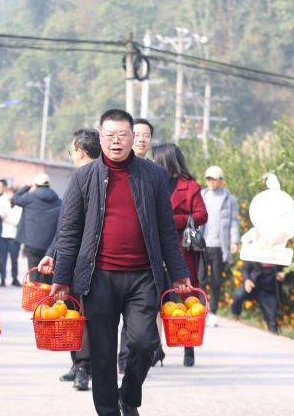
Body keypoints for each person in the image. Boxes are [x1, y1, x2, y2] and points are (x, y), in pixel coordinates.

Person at [51, 109, 192, 416]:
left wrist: (179, 272)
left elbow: (166, 230)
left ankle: (128, 395)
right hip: (98, 277)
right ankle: (108, 411)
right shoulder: (83, 177)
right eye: (109, 135)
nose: (116, 141)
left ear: (133, 137)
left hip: (143, 276)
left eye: (122, 135)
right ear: (100, 138)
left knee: (144, 343)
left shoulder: (153, 175)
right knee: (102, 353)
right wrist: (62, 278)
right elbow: (70, 231)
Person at [38, 128, 100, 391]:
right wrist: (51, 253)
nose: (71, 155)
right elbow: (66, 226)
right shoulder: (79, 178)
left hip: (89, 259)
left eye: (71, 151)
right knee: (71, 312)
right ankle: (77, 363)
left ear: (80, 152)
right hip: (71, 258)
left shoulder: (97, 178)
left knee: (83, 313)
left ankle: (84, 366)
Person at [152, 143, 208, 367]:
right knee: (154, 299)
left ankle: (189, 347)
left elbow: (202, 214)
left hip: (181, 249)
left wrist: (173, 221)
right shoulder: (152, 182)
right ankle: (156, 349)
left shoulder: (190, 185)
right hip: (155, 248)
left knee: (187, 299)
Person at [118, 118, 160, 374]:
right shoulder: (113, 171)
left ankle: (128, 361)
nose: (142, 139)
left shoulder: (155, 174)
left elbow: (163, 220)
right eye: (138, 134)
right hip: (112, 262)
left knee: (138, 321)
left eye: (147, 135)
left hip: (145, 260)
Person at [199, 166, 240, 327]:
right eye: (208, 178)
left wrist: (234, 241)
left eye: (214, 179)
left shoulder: (229, 199)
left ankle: (213, 313)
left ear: (221, 180)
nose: (211, 182)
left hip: (219, 246)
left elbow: (234, 222)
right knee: (201, 279)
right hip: (202, 244)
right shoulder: (202, 195)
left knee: (216, 281)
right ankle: (202, 311)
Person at [12, 173, 61, 285]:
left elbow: (15, 199)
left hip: (32, 245)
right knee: (48, 274)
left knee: (34, 275)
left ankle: (35, 295)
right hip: (50, 247)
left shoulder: (29, 198)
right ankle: (47, 295)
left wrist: (27, 186)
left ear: (35, 184)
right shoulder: (58, 201)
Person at [231, 260, 284, 334]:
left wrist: (284, 274)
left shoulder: (279, 255)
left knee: (272, 321)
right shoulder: (253, 253)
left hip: (268, 290)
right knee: (238, 295)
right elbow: (245, 269)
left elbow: (285, 269)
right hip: (252, 285)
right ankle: (235, 315)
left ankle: (272, 333)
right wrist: (246, 280)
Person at [0, 183, 22, 287]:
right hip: (2, 236)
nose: (10, 195)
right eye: (8, 193)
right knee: (2, 260)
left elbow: (17, 220)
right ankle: (2, 279)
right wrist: (3, 217)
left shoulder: (19, 205)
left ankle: (14, 278)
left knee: (14, 260)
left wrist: (6, 218)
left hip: (14, 237)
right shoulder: (1, 202)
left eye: (12, 193)